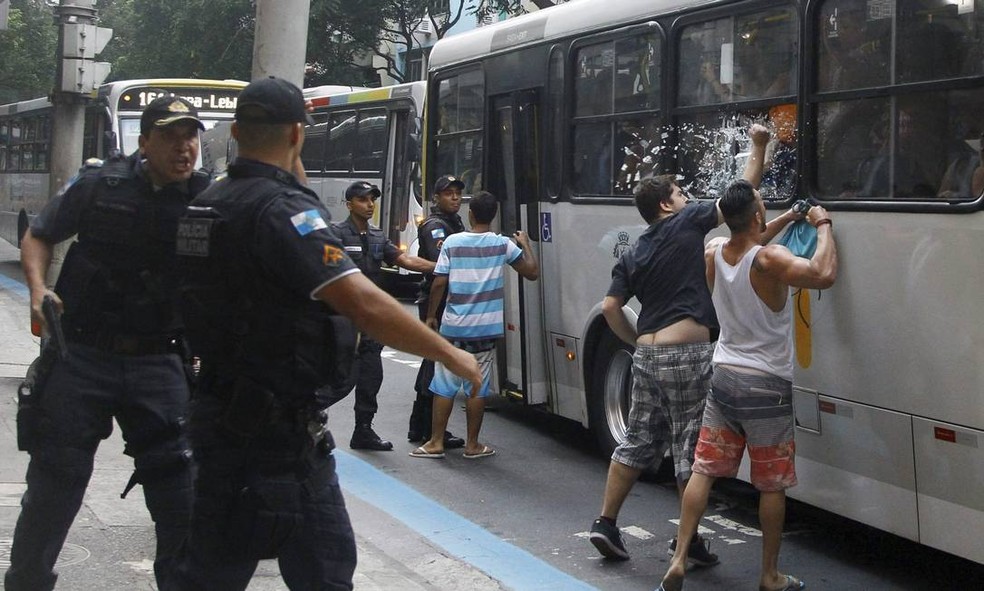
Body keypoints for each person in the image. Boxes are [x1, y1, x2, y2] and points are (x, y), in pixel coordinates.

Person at [169, 76, 481, 591]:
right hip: (274, 434)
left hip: (218, 412)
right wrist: (448, 351)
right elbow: (360, 300)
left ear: (237, 132)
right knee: (326, 572)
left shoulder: (207, 203)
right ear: (297, 133)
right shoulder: (282, 211)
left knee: (214, 571)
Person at [7, 95, 207, 591]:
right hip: (84, 358)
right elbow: (39, 233)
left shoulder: (209, 198)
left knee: (181, 495)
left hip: (160, 359)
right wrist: (38, 289)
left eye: (191, 136)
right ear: (144, 142)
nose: (185, 147)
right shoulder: (100, 184)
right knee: (54, 487)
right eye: (171, 136)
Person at [588, 124, 802, 563]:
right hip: (687, 354)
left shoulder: (633, 253)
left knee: (638, 439)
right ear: (667, 204)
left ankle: (605, 523)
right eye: (682, 192)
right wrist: (759, 146)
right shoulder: (686, 221)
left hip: (646, 353)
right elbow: (743, 196)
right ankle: (688, 543)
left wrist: (638, 341)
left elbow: (611, 307)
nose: (687, 197)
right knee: (692, 446)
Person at [658, 181, 837, 591]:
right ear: (756, 215)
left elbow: (749, 242)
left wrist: (789, 217)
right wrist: (822, 224)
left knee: (703, 469)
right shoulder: (771, 261)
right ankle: (770, 575)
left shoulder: (714, 251)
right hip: (767, 385)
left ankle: (681, 556)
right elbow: (823, 273)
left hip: (723, 378)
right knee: (771, 483)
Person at [409, 190, 539, 459]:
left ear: (470, 214)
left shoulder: (453, 243)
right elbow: (532, 272)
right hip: (486, 330)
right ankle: (472, 445)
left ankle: (435, 442)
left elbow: (440, 282)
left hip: (455, 327)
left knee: (444, 385)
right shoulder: (502, 244)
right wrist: (525, 243)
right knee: (476, 387)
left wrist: (432, 315)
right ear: (493, 216)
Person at [322, 180, 436, 451]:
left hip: (371, 322)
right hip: (344, 320)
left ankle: (363, 430)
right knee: (342, 380)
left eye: (372, 199)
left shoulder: (377, 236)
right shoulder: (335, 234)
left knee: (371, 376)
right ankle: (300, 417)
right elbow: (323, 270)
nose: (370, 204)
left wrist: (444, 265)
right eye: (363, 199)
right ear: (349, 205)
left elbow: (405, 261)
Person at [406, 174, 470, 449]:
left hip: (447, 299)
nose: (454, 197)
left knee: (434, 361)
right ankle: (428, 430)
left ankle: (420, 426)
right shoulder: (436, 226)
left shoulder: (453, 222)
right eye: (448, 193)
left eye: (457, 193)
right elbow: (441, 265)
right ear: (436, 198)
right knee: (438, 364)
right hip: (437, 300)